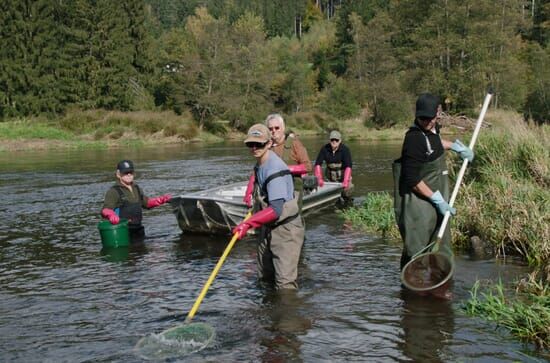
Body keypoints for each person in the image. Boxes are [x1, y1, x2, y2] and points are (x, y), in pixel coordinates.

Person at [393, 93, 474, 272]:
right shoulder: (413, 139)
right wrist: (436, 199)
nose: (426, 122)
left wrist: (455, 147)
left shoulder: (433, 128)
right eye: (422, 118)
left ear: (437, 113)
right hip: (418, 204)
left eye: (430, 118)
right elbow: (412, 179)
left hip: (437, 200)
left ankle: (441, 287)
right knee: (417, 251)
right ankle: (413, 293)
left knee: (441, 246)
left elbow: (434, 142)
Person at [234, 124, 305, 290]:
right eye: (250, 144)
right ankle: (267, 314)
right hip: (268, 227)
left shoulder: (274, 169)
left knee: (284, 284)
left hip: (285, 229)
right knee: (265, 278)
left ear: (268, 144)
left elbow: (276, 209)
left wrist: (247, 224)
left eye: (258, 144)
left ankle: (288, 314)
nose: (254, 148)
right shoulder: (260, 164)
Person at [242, 114, 312, 210]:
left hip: (291, 191)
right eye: (270, 129)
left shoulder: (295, 143)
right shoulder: (264, 146)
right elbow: (257, 170)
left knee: (289, 217)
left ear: (283, 128)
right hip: (271, 191)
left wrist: (286, 169)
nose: (273, 131)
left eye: (277, 128)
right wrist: (249, 191)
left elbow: (308, 166)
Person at [101, 160, 172, 240]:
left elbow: (146, 203)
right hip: (123, 232)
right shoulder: (113, 191)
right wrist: (111, 215)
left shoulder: (136, 188)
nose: (128, 174)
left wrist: (161, 200)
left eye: (130, 172)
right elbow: (105, 210)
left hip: (139, 229)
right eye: (125, 172)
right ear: (118, 174)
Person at [314, 130, 353, 201]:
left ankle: (348, 204)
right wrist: (319, 179)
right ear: (329, 140)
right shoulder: (324, 149)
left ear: (340, 140)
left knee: (347, 193)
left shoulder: (345, 150)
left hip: (343, 177)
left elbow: (349, 166)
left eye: (336, 140)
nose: (334, 141)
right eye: (332, 139)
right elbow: (317, 164)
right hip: (330, 178)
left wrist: (346, 181)